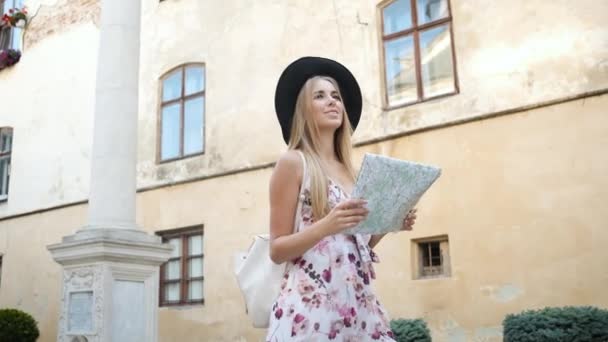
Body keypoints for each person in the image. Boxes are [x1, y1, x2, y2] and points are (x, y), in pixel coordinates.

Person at [266, 57, 417, 341]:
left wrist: (391, 220)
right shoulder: (293, 163)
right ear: (303, 109)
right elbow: (276, 249)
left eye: (336, 96)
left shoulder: (353, 172)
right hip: (311, 310)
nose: (333, 101)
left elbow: (358, 243)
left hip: (359, 306)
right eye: (320, 96)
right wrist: (327, 225)